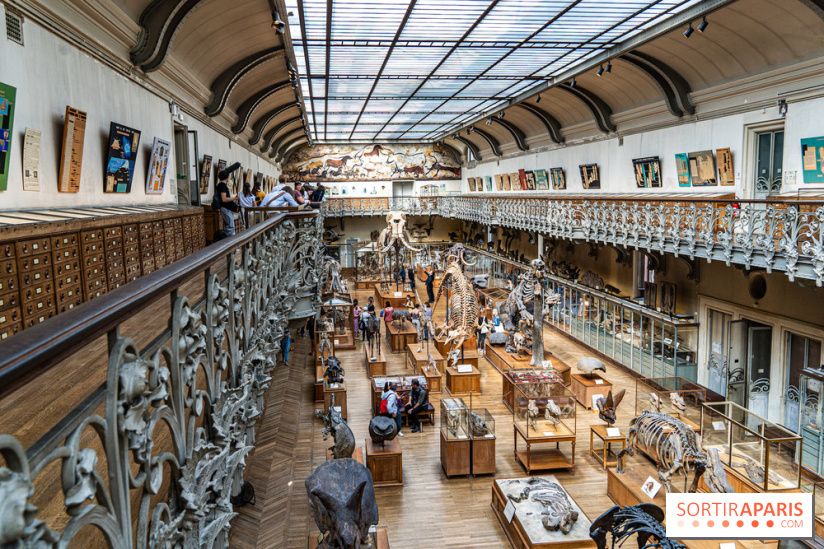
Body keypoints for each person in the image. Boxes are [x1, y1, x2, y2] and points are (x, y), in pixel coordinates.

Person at [214, 162, 240, 236]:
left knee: (230, 226)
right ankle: (229, 242)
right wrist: (234, 198)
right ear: (227, 177)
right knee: (230, 228)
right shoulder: (222, 186)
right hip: (225, 208)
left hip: (226, 208)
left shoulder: (220, 185)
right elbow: (224, 199)